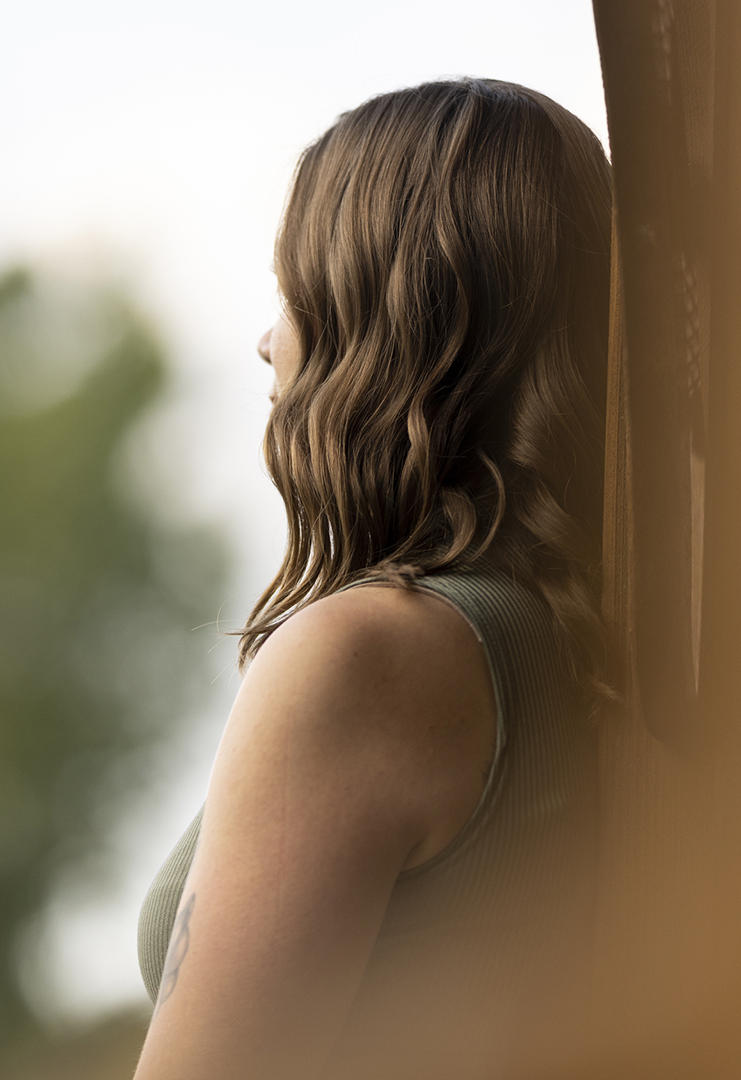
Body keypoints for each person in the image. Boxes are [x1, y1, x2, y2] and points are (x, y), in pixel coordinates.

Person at [133, 78, 613, 1080]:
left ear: (383, 322)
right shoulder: (567, 643)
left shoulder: (369, 657)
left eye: (296, 292)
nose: (270, 341)